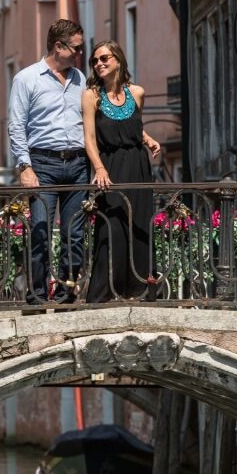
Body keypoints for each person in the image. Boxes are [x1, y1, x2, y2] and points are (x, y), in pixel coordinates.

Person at [8, 19, 90, 305]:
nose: (81, 53)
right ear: (59, 46)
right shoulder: (27, 79)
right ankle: (38, 295)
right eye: (77, 48)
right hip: (43, 163)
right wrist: (24, 166)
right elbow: (16, 126)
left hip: (78, 164)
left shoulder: (80, 78)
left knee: (75, 234)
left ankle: (68, 293)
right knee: (41, 232)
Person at [82, 40, 161, 302]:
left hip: (138, 167)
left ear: (118, 60)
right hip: (111, 168)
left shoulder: (137, 93)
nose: (99, 63)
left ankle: (140, 291)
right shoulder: (92, 95)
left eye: (105, 58)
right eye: (95, 60)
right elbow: (90, 139)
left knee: (139, 225)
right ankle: (105, 295)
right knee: (112, 229)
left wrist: (147, 139)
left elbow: (133, 126)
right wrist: (100, 168)